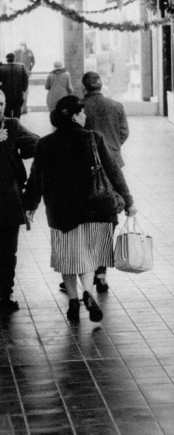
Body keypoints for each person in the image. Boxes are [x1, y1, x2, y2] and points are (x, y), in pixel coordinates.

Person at [23, 96, 137, 323]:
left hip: (61, 212)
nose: (85, 117)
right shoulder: (93, 138)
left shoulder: (45, 143)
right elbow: (114, 172)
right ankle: (88, 293)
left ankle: (73, 303)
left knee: (67, 257)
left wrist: (30, 206)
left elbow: (37, 179)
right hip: (94, 208)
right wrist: (129, 201)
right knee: (87, 257)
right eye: (82, 113)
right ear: (75, 115)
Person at [81, 71, 129, 293]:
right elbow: (123, 132)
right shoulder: (116, 105)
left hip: (85, 168)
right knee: (108, 218)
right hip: (112, 167)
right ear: (101, 86)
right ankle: (101, 273)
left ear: (84, 88)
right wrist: (113, 149)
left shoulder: (79, 108)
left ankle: (84, 272)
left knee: (86, 219)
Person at [0, 91, 39, 314]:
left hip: (8, 201)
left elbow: (36, 144)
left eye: (2, 103)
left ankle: (5, 293)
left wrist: (19, 149)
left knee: (8, 252)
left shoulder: (12, 126)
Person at [0, 54, 28, 119]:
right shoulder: (21, 67)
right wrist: (23, 89)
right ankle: (16, 126)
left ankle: (9, 127)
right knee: (17, 112)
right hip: (18, 94)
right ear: (14, 58)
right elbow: (25, 80)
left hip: (6, 95)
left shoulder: (1, 68)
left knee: (7, 113)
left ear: (6, 59)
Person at [12, 42, 34, 114]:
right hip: (19, 73)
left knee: (25, 90)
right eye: (21, 45)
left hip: (26, 72)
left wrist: (29, 69)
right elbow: (13, 61)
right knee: (19, 90)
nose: (22, 46)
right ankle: (20, 107)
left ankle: (24, 107)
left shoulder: (29, 52)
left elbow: (33, 61)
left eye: (23, 45)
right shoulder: (16, 52)